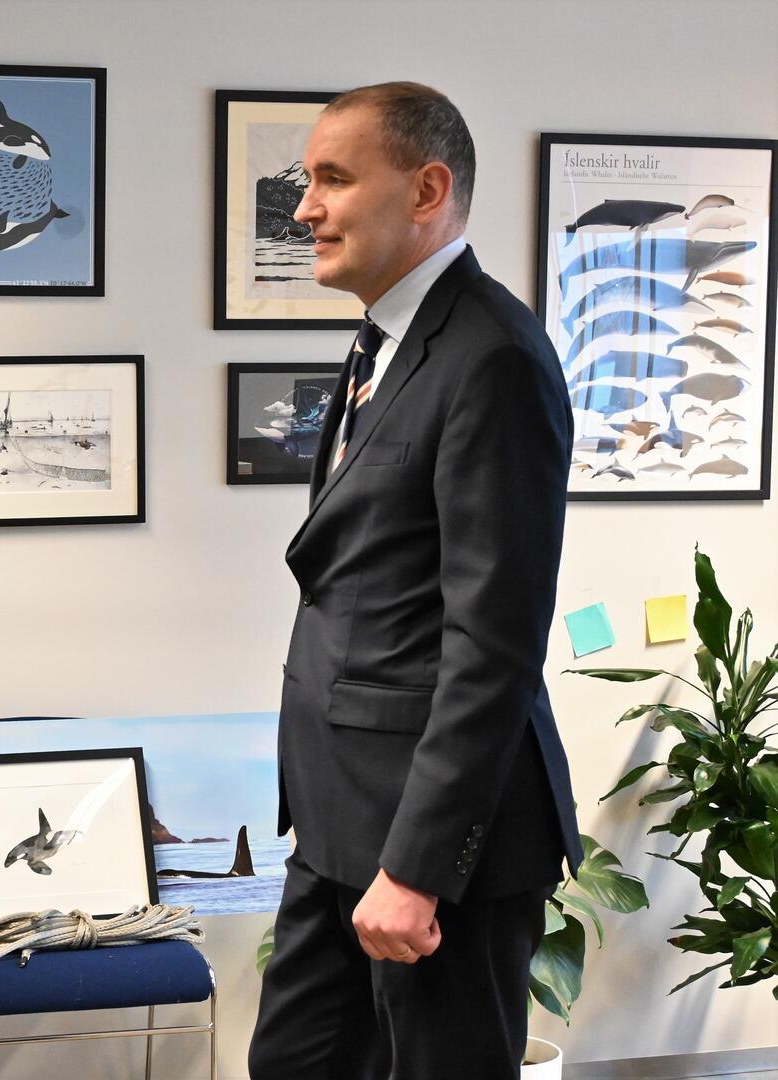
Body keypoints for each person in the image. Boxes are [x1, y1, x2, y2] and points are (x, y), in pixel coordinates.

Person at [247, 83, 583, 1080]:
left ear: (427, 190)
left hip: (434, 856)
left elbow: (494, 644)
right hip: (340, 824)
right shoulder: (384, 340)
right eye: (306, 181)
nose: (304, 207)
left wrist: (415, 869)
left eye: (332, 179)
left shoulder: (493, 356)